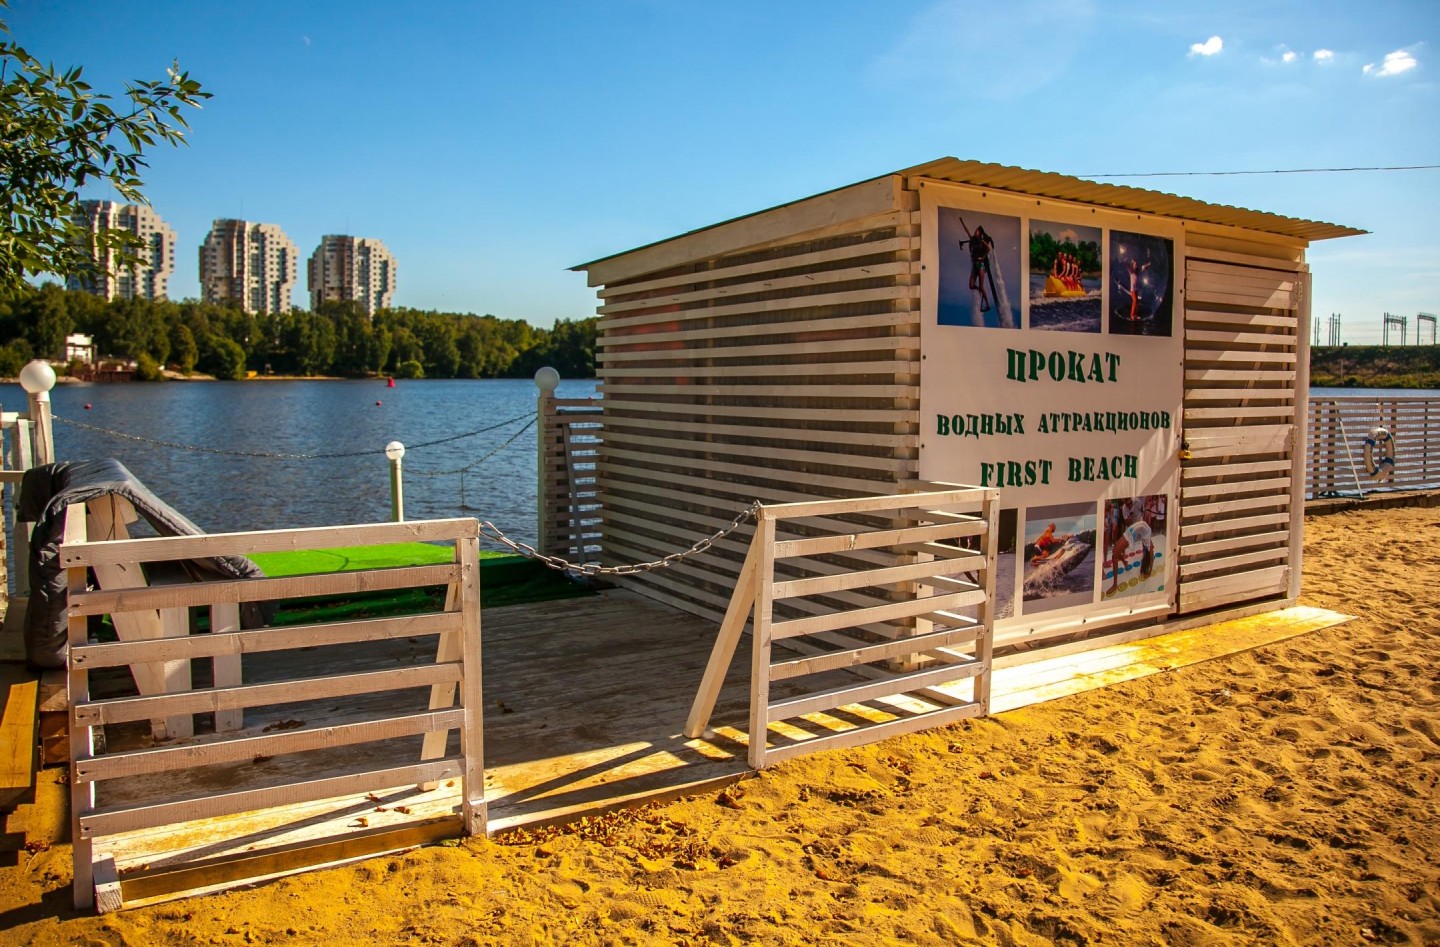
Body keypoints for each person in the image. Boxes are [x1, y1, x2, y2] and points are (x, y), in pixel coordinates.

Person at [1108, 513, 1155, 594]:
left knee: (1114, 556)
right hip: (1133, 529)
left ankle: (1115, 585)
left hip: (1136, 531)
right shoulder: (1145, 533)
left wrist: (1150, 572)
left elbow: (1151, 553)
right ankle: (1124, 562)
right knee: (1114, 552)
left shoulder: (1146, 537)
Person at [959, 225, 995, 313]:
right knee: (971, 286)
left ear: (980, 233)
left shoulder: (982, 241)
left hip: (980, 265)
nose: (975, 232)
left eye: (977, 231)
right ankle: (980, 290)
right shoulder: (972, 240)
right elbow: (967, 230)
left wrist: (982, 258)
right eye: (975, 231)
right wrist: (962, 221)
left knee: (982, 286)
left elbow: (988, 249)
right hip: (974, 265)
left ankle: (987, 305)